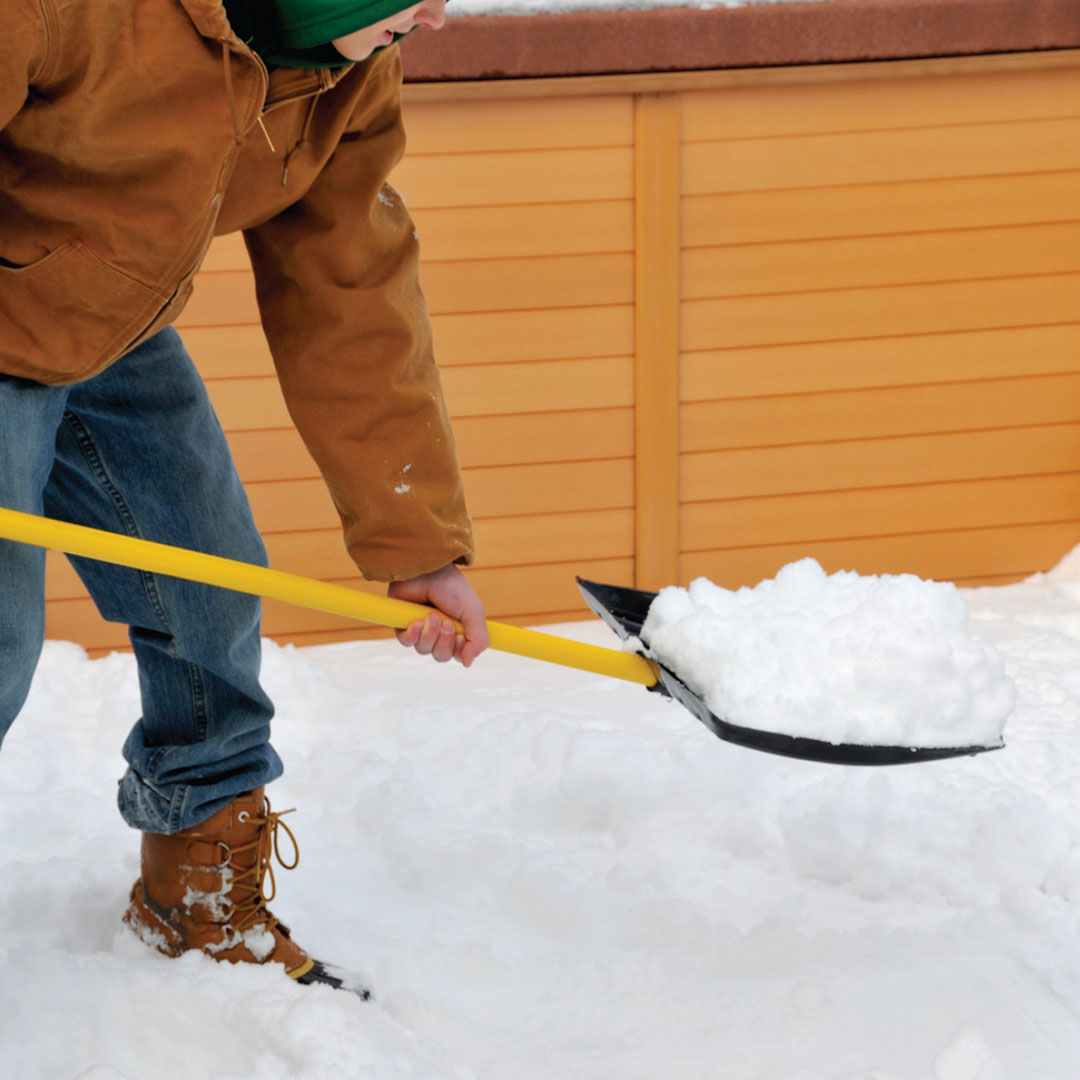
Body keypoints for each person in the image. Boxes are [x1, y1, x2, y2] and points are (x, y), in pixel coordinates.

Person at [0, 0, 488, 995]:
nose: (440, 15)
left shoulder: (349, 62)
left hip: (104, 321)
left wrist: (419, 542)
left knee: (206, 587)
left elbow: (350, 285)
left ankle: (197, 877)